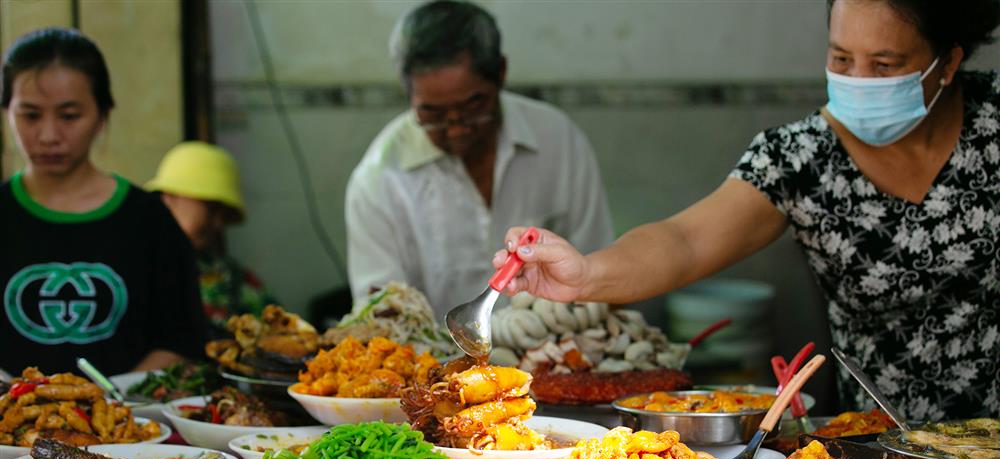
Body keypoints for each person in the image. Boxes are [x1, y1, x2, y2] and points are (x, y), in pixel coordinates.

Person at [493, 0, 1000, 421]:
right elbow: (685, 242)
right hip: (885, 447)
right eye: (842, 59)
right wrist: (584, 274)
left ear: (948, 63)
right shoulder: (798, 158)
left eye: (884, 65)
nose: (859, 80)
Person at [346, 0, 614, 317]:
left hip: (552, 354)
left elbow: (598, 270)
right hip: (437, 363)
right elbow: (381, 312)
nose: (457, 129)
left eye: (474, 107)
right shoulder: (378, 180)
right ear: (408, 96)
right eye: (433, 114)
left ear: (500, 73)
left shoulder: (556, 140)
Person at [0, 28, 205, 375]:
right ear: (7, 112)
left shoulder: (148, 220)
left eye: (69, 116)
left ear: (102, 115)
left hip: (130, 425)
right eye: (30, 115)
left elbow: (180, 340)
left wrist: (113, 403)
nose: (49, 135)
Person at [146, 141, 277, 338]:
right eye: (211, 209)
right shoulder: (133, 269)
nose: (217, 223)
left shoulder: (234, 280)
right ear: (170, 198)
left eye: (223, 214)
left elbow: (279, 337)